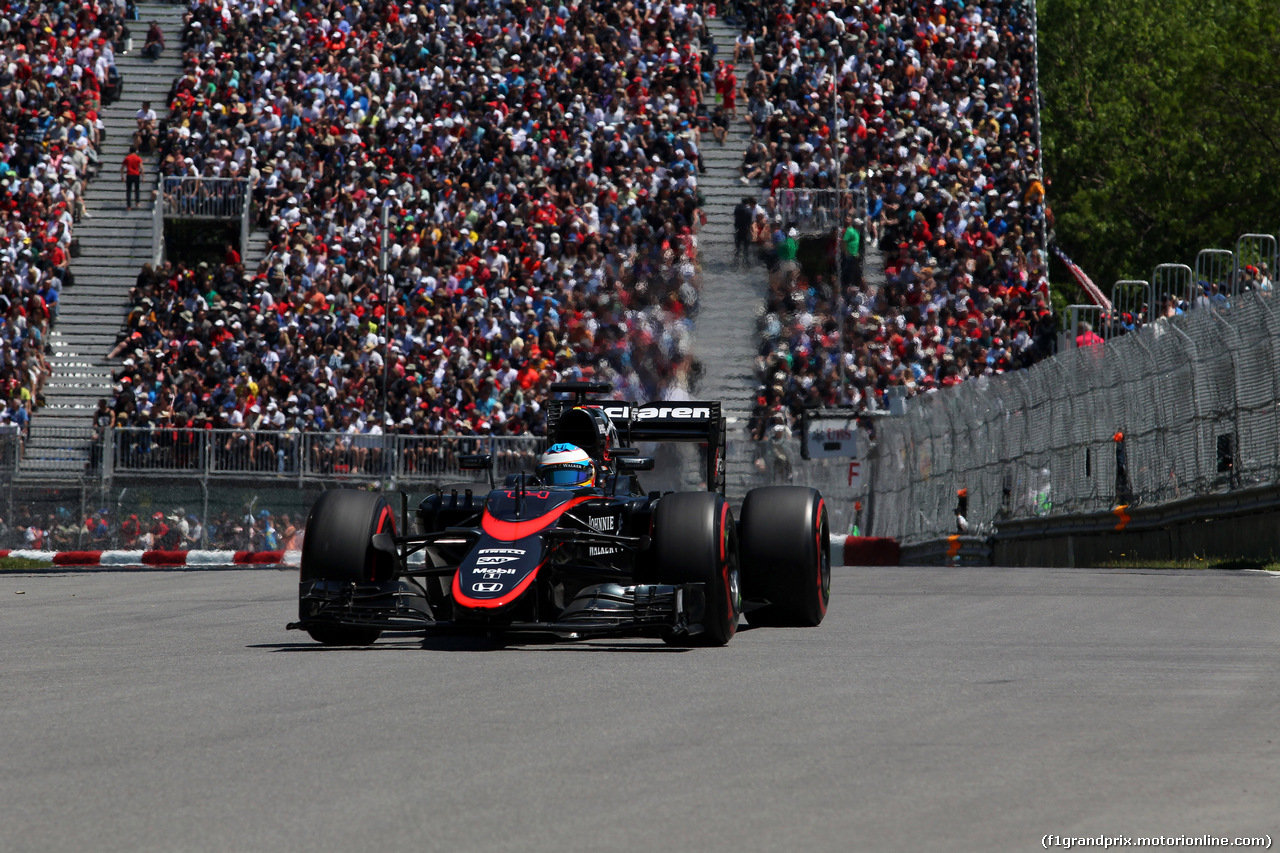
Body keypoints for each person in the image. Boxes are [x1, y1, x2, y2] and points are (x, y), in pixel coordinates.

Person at [121, 145, 143, 210]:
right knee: (137, 189)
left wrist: (122, 176)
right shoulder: (138, 158)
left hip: (129, 174)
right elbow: (141, 167)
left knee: (129, 190)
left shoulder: (127, 158)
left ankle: (129, 206)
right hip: (136, 174)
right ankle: (137, 202)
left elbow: (122, 168)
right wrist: (143, 177)